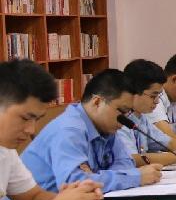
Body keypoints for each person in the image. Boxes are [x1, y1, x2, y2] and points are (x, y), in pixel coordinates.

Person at [0, 60, 103, 200]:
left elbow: (32, 198)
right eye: (25, 118)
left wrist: (76, 198)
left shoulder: (6, 151)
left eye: (36, 119)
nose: (31, 130)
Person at [22, 69, 163, 193]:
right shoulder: (69, 130)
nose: (125, 119)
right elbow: (75, 184)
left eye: (129, 112)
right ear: (97, 102)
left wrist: (97, 177)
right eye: (122, 111)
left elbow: (125, 162)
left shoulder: (106, 126)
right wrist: (134, 178)